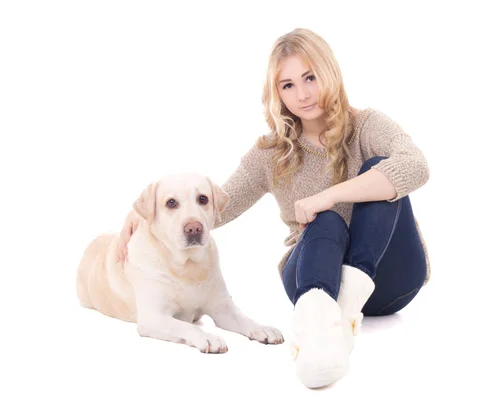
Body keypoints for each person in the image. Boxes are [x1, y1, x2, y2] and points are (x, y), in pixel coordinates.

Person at [117, 28, 430, 389]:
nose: (303, 94)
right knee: (325, 221)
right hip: (315, 277)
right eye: (288, 85)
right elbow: (219, 204)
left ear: (329, 71)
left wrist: (327, 196)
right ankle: (322, 340)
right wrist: (153, 213)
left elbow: (416, 166)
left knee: (378, 169)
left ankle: (341, 314)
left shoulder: (367, 126)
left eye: (310, 77)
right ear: (276, 93)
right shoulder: (271, 153)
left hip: (388, 281)